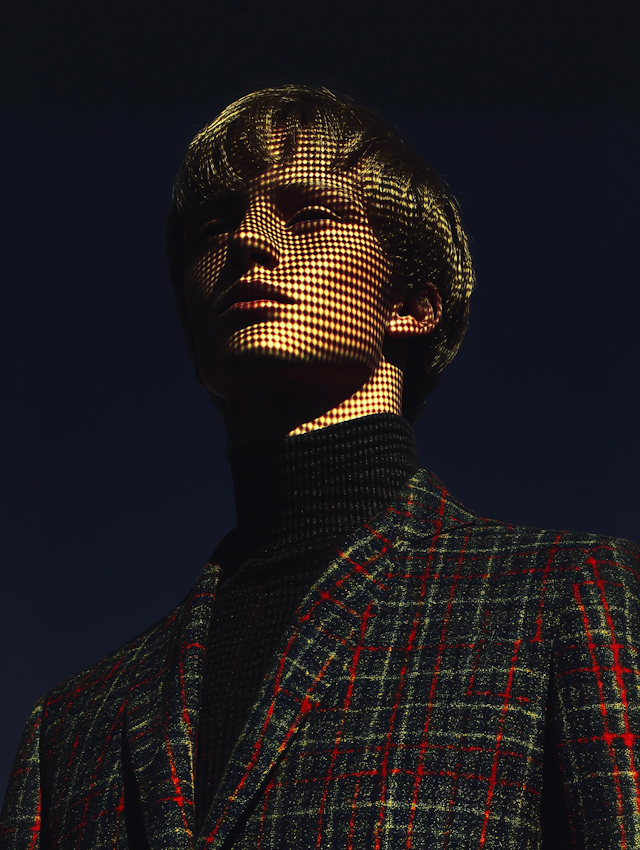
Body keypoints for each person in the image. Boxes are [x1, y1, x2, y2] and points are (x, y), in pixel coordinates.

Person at [2, 85, 639, 850]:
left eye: (309, 215)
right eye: (213, 228)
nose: (246, 241)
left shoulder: (562, 600)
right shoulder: (69, 729)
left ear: (412, 303)